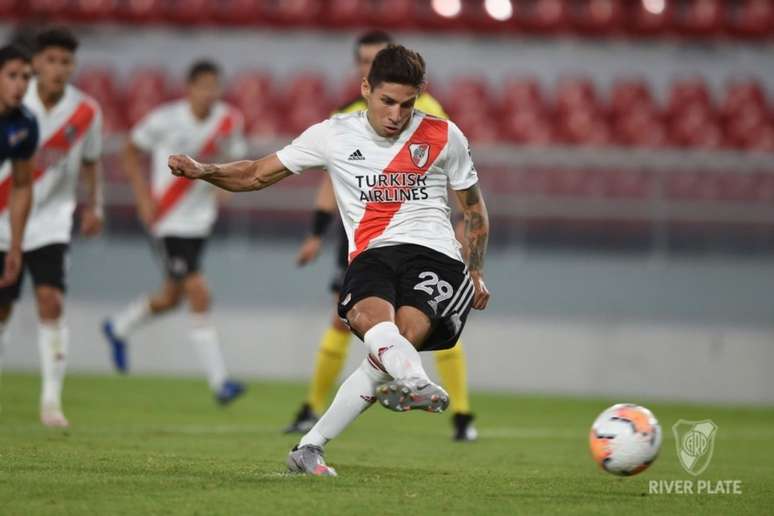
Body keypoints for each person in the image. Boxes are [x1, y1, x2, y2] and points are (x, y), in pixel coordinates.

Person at [168, 45, 490, 476]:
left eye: (407, 104)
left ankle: (396, 388)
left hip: (434, 255)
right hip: (372, 254)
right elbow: (257, 173)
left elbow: (474, 212)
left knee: (400, 338)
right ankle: (322, 440)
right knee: (374, 329)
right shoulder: (333, 134)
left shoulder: (445, 136)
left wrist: (475, 270)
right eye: (386, 101)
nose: (396, 114)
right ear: (365, 90)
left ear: (420, 97)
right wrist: (205, 170)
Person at [285, 30, 479, 442]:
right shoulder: (344, 118)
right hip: (364, 234)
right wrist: (317, 231)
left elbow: (447, 176)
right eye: (362, 62)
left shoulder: (426, 113)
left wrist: (462, 235)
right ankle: (312, 413)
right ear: (364, 77)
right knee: (357, 325)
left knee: (419, 320)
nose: (395, 110)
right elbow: (328, 175)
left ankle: (460, 411)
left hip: (424, 239)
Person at [102, 60, 247, 405]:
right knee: (198, 291)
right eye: (204, 85)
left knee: (171, 297)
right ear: (190, 88)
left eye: (216, 86)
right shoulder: (164, 119)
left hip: (200, 222)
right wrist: (140, 195)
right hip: (167, 221)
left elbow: (235, 159)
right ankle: (220, 383)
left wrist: (223, 188)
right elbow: (128, 148)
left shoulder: (229, 120)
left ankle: (118, 327)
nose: (210, 93)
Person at [0, 29, 102, 428]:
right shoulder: (15, 105)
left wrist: (94, 205)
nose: (58, 69)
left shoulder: (84, 111)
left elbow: (90, 161)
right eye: (51, 61)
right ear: (36, 62)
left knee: (51, 301)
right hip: (3, 221)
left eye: (66, 62)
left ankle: (50, 402)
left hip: (51, 221)